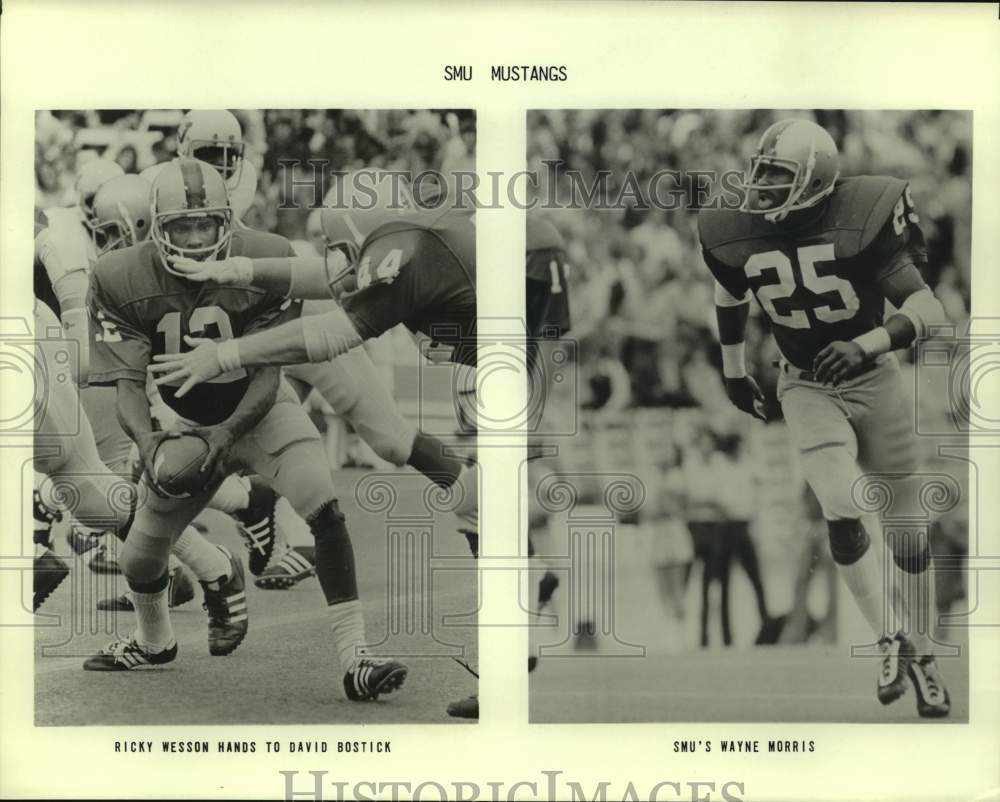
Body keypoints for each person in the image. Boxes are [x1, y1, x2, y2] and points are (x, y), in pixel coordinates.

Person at [82, 159, 406, 702]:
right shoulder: (119, 275)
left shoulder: (267, 257)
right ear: (158, 225)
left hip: (260, 410)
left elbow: (268, 371)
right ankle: (153, 641)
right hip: (185, 423)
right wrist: (148, 442)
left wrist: (227, 436)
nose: (194, 237)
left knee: (322, 504)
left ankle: (356, 658)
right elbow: (128, 386)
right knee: (139, 556)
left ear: (226, 222)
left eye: (204, 224)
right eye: (182, 227)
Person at [699, 117, 951, 717]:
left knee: (910, 537)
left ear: (816, 183)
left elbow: (929, 308)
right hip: (804, 383)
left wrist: (866, 345)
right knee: (842, 500)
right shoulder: (733, 230)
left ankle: (927, 657)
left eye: (778, 175)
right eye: (760, 172)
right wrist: (734, 371)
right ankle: (890, 636)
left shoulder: (861, 216)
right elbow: (729, 294)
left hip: (875, 378)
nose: (761, 187)